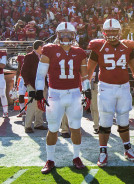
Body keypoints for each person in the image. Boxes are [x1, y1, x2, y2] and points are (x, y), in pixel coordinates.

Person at [36, 22, 91, 174]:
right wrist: (39, 92)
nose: (66, 37)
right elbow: (40, 74)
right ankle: (50, 159)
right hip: (55, 94)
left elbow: (85, 75)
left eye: (69, 34)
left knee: (76, 128)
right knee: (53, 128)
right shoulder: (49, 49)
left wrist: (87, 91)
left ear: (74, 36)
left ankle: (76, 157)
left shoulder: (79, 52)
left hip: (74, 94)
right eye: (63, 34)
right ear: (58, 35)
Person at [87, 18, 134, 167]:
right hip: (106, 88)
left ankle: (127, 148)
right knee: (105, 122)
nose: (110, 34)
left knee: (123, 120)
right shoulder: (98, 47)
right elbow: (90, 70)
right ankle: (103, 151)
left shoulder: (128, 47)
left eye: (113, 31)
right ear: (103, 32)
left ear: (120, 32)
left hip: (123, 87)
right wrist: (84, 88)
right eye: (108, 31)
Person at [21, 40, 48, 133]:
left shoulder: (44, 57)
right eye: (43, 47)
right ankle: (27, 125)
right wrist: (27, 83)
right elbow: (24, 71)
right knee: (32, 105)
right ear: (39, 47)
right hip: (32, 84)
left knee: (41, 103)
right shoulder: (29, 56)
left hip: (43, 84)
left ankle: (38, 123)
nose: (44, 49)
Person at [15, 46, 33, 117]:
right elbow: (19, 69)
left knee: (32, 95)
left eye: (30, 50)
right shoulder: (22, 57)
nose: (29, 51)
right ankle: (22, 111)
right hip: (23, 78)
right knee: (21, 95)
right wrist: (16, 80)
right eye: (28, 50)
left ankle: (31, 112)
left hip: (32, 78)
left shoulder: (35, 57)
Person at [0, 50, 8, 118]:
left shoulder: (2, 52)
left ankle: (5, 111)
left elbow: (2, 65)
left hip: (0, 76)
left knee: (2, 94)